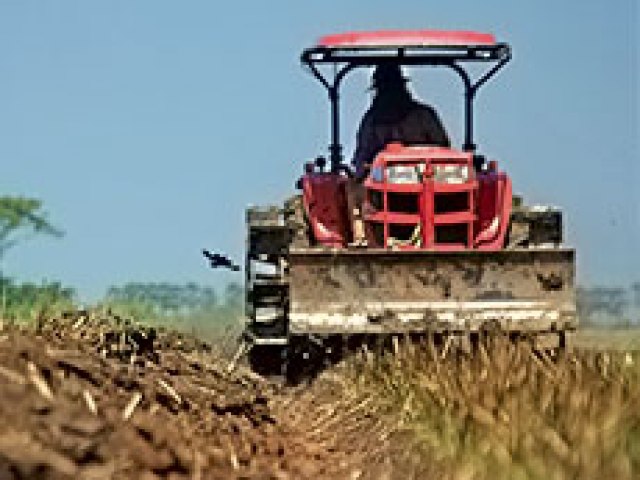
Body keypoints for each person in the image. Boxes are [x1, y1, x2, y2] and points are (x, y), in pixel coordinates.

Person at [351, 64, 450, 180]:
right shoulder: (371, 120)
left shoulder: (424, 115)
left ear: (402, 87)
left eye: (392, 87)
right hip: (381, 180)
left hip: (425, 177)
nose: (389, 93)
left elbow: (443, 150)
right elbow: (362, 156)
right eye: (384, 88)